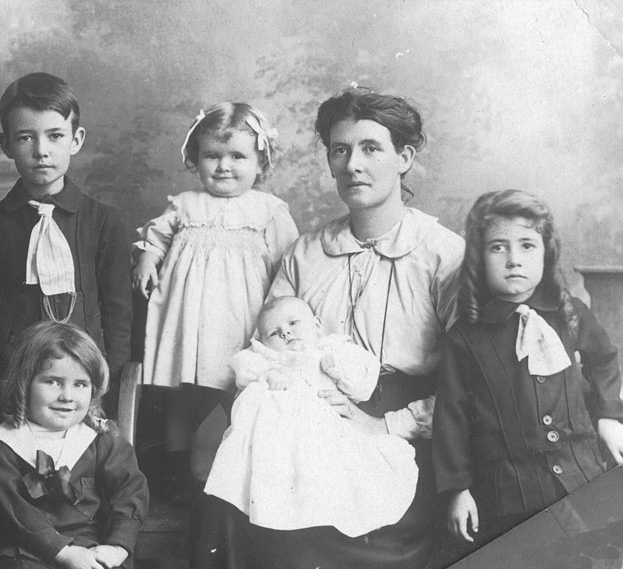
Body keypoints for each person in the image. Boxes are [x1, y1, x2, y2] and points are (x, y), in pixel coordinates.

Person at [191, 88, 465, 569]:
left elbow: (471, 383)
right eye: (340, 150)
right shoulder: (307, 252)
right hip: (303, 424)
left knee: (314, 530)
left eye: (370, 148)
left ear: (404, 158)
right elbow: (267, 346)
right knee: (235, 504)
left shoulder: (442, 254)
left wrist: (385, 423)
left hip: (408, 433)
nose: (352, 164)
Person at [433, 189, 623, 559]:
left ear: (546, 252)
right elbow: (451, 418)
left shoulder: (571, 315)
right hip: (508, 492)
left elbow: (604, 361)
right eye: (498, 248)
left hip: (580, 473)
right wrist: (458, 490)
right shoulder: (465, 339)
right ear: (478, 258)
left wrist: (609, 417)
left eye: (527, 246)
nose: (514, 260)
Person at [131, 102, 298, 503]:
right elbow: (155, 236)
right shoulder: (186, 204)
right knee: (182, 392)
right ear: (195, 160)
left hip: (238, 320)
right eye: (212, 156)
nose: (223, 166)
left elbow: (290, 266)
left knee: (235, 391)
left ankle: (226, 469)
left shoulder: (268, 211)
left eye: (237, 156)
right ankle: (173, 468)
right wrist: (149, 257)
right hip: (188, 322)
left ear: (261, 162)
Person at [0, 72, 131, 416]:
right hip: (7, 390)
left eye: (54, 136)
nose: (41, 151)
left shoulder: (103, 222)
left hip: (83, 393)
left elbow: (118, 317)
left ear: (76, 140)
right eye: (25, 138)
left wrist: (110, 393)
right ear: (5, 145)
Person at [204, 295, 418, 538]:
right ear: (262, 342)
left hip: (324, 423)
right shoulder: (269, 360)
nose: (285, 333)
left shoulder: (331, 349)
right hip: (280, 432)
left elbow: (362, 384)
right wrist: (268, 375)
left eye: (294, 323)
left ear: (316, 325)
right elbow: (245, 374)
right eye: (274, 333)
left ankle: (355, 516)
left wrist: (337, 369)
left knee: (348, 468)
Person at [0, 321, 149, 569]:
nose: (67, 396)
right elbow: (18, 513)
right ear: (25, 384)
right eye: (53, 382)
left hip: (94, 545)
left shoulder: (102, 437)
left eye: (80, 384)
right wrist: (62, 552)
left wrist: (118, 546)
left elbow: (129, 492)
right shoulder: (3, 445)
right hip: (28, 549)